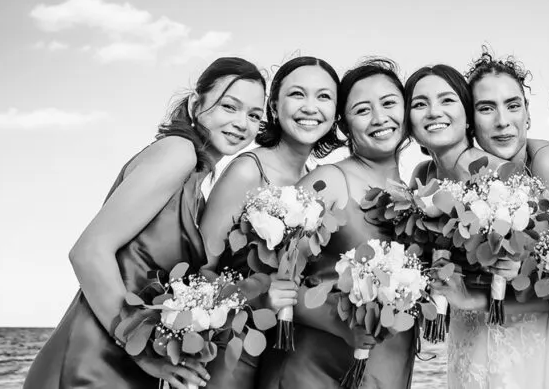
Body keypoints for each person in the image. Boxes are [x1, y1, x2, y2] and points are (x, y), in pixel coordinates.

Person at [24, 57, 267, 389]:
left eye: (254, 115)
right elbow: (88, 252)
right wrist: (143, 354)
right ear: (197, 104)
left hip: (125, 361)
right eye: (229, 106)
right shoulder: (177, 153)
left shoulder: (197, 185)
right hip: (93, 359)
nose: (242, 122)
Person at [427, 51, 549, 389]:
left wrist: (473, 299)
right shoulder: (452, 174)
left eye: (513, 105)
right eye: (486, 108)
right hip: (475, 341)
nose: (503, 121)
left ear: (528, 115)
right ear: (469, 120)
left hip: (544, 349)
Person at [256, 58, 416, 389]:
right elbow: (272, 283)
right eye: (362, 110)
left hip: (387, 367)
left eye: (388, 103)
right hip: (315, 371)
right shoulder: (330, 181)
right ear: (344, 125)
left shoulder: (414, 195)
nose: (379, 118)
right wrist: (342, 324)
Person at [199, 56, 341, 389]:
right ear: (274, 106)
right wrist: (260, 297)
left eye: (324, 97)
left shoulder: (313, 180)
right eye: (297, 94)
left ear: (335, 112)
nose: (311, 107)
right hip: (229, 353)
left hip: (279, 358)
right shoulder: (248, 170)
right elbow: (200, 273)